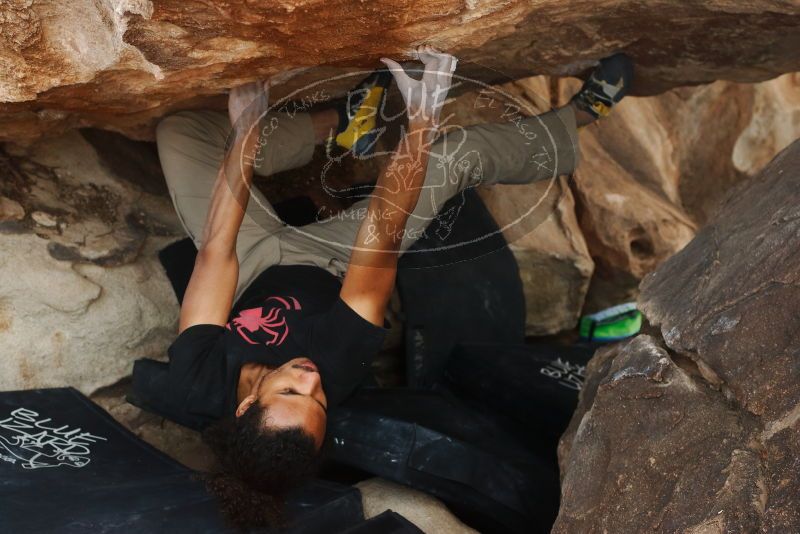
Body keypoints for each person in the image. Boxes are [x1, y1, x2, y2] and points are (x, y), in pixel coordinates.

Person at [132, 47, 633, 527]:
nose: (310, 379)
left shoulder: (196, 382)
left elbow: (216, 252)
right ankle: (573, 123)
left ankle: (343, 124)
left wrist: (247, 130)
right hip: (336, 260)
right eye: (319, 402)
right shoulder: (339, 364)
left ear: (245, 406)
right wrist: (421, 123)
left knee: (182, 131)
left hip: (252, 261)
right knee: (455, 155)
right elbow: (382, 231)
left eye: (289, 390)